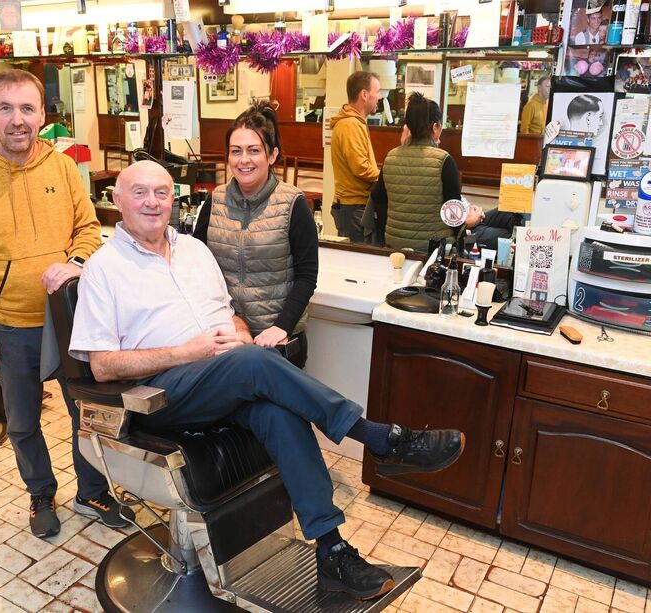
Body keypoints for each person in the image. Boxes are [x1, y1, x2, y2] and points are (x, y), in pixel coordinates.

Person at [69, 160, 465, 601]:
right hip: (159, 395)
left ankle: (331, 549)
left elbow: (231, 312)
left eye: (161, 192)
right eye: (139, 192)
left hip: (220, 378)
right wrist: (191, 352)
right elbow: (101, 365)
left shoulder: (194, 252)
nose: (152, 202)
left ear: (173, 199)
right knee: (256, 364)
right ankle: (378, 438)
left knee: (279, 412)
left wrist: (239, 334)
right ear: (117, 200)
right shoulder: (104, 269)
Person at [0, 69, 135, 539]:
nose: (17, 120)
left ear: (42, 114)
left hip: (70, 321)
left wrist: (74, 261)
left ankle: (91, 491)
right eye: (6, 108)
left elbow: (89, 228)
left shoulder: (63, 167)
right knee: (24, 421)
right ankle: (40, 493)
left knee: (85, 413)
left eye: (28, 108)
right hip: (7, 325)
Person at [193, 102, 318, 367]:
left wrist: (280, 328)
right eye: (236, 151)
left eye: (253, 151)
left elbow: (307, 276)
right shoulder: (215, 201)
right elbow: (196, 268)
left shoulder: (292, 203)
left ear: (272, 155)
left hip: (275, 341)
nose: (244, 160)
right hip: (226, 338)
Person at [367, 92, 460, 252]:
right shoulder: (444, 160)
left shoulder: (391, 157)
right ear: (435, 127)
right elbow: (454, 211)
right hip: (433, 249)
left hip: (395, 247)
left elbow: (379, 198)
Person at [329, 71, 381, 244]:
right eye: (377, 91)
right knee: (357, 261)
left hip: (355, 206)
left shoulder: (354, 122)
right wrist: (385, 177)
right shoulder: (350, 125)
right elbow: (361, 167)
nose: (379, 97)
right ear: (364, 95)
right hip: (353, 207)